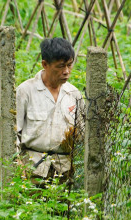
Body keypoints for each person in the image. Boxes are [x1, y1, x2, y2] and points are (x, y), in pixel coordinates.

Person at [16, 38, 83, 184]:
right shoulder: (26, 91)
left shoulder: (74, 94)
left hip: (63, 170)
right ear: (45, 64)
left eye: (69, 65)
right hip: (32, 169)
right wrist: (18, 164)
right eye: (60, 66)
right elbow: (14, 133)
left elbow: (82, 133)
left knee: (61, 206)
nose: (66, 71)